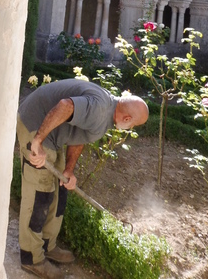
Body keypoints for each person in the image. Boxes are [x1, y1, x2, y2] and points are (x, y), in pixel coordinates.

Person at [17, 78, 148, 279]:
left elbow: (79, 135)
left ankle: (46, 245)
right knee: (39, 196)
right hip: (35, 123)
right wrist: (37, 141)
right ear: (128, 118)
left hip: (53, 134)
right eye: (133, 126)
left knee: (60, 190)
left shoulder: (108, 111)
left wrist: (69, 170)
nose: (130, 130)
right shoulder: (100, 110)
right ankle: (31, 258)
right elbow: (65, 106)